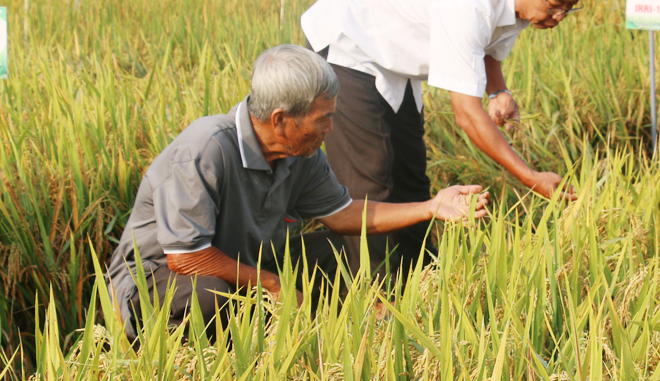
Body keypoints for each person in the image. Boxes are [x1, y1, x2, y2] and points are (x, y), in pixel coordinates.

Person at [107, 44, 487, 342]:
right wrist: (272, 284)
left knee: (336, 250)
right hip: (157, 281)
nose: (331, 129)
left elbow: (342, 215)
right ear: (280, 118)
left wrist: (431, 206)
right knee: (209, 293)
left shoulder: (299, 154)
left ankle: (322, 337)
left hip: (242, 267)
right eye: (324, 119)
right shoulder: (206, 148)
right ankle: (194, 370)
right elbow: (186, 258)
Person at [298, 0, 586, 278]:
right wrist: (530, 177)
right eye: (555, 5)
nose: (559, 16)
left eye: (570, 7)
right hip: (351, 43)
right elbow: (466, 114)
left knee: (410, 174)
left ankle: (419, 275)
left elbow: (489, 48)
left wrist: (498, 92)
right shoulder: (469, 3)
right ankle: (371, 297)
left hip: (395, 59)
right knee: (371, 176)